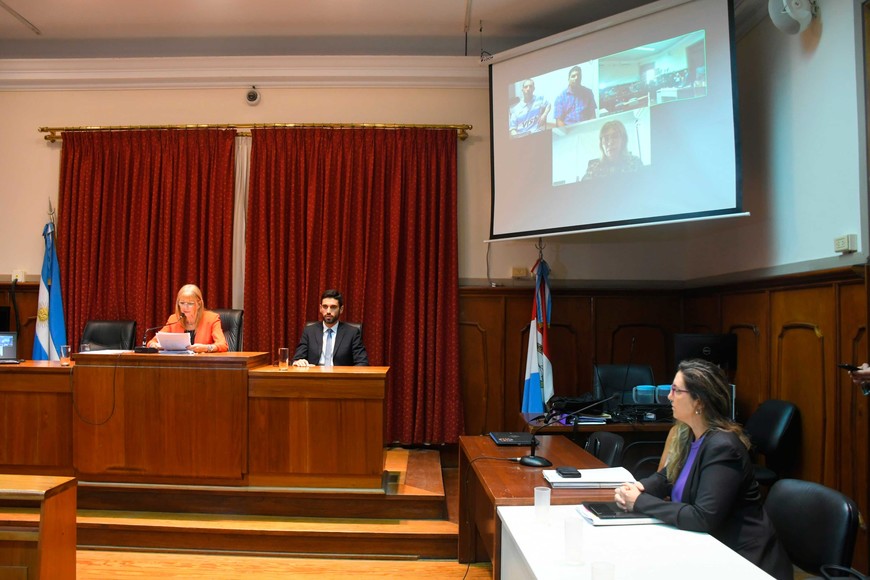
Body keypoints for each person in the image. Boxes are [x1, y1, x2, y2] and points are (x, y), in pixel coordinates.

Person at [613, 359, 792, 580]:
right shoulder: (690, 434)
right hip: (707, 550)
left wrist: (639, 501)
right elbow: (668, 476)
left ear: (699, 401)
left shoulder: (723, 447)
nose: (669, 397)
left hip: (744, 562)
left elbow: (702, 517)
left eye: (676, 391)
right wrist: (640, 487)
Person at [292, 289, 369, 367]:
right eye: (325, 307)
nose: (328, 311)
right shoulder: (309, 331)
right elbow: (297, 359)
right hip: (314, 376)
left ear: (341, 309)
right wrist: (299, 362)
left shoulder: (352, 333)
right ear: (320, 308)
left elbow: (362, 362)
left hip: (340, 377)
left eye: (333, 307)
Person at [147, 283, 228, 353]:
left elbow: (223, 345)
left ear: (199, 304)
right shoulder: (174, 319)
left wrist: (206, 348)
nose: (185, 307)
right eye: (182, 303)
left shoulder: (211, 319)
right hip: (178, 365)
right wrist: (153, 345)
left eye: (190, 303)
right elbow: (152, 342)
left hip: (203, 365)